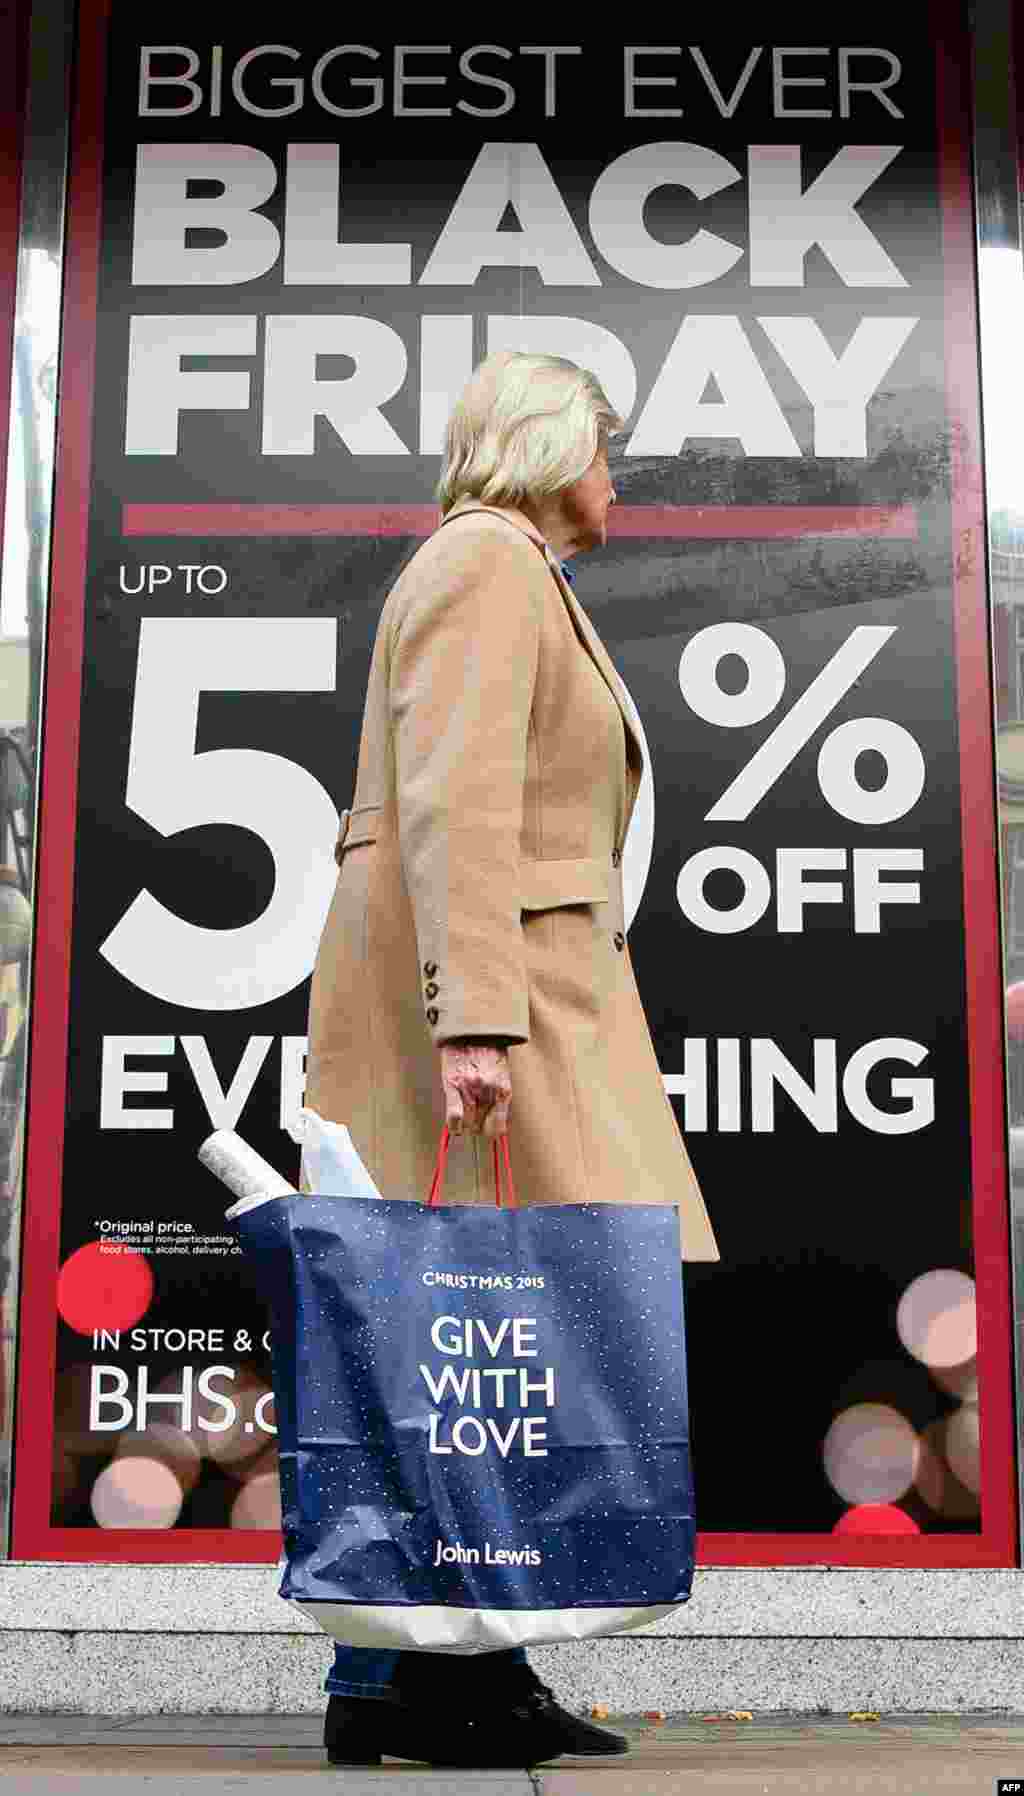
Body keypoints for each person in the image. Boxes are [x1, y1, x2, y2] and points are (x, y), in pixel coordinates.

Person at [304, 350, 722, 1770]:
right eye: (607, 442)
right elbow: (458, 797)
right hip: (501, 1007)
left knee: (462, 1346)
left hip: (506, 992)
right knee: (490, 1342)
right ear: (547, 441)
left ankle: (417, 1678)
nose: (619, 470)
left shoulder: (498, 569)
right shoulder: (490, 562)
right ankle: (447, 1683)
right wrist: (474, 1011)